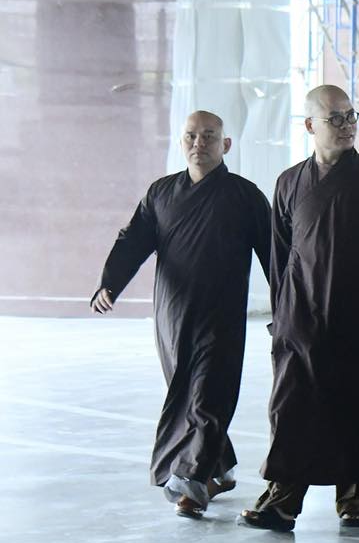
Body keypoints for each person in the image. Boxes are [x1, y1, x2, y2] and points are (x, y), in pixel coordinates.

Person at [240, 85, 359, 532]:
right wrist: (281, 318)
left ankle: (355, 499)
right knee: (292, 408)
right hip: (301, 318)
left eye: (351, 116)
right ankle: (283, 501)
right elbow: (281, 258)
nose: (347, 126)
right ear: (310, 125)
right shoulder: (289, 182)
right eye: (335, 118)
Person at [91, 111, 270, 519]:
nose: (198, 143)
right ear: (181, 142)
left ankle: (190, 482)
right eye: (191, 136)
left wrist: (290, 308)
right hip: (172, 315)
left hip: (221, 316)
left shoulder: (245, 196)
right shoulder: (161, 193)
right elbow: (133, 240)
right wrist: (109, 284)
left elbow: (274, 253)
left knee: (207, 397)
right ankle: (219, 470)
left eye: (209, 136)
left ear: (226, 145)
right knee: (188, 394)